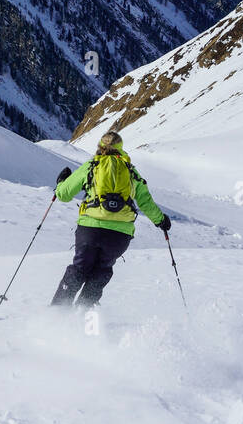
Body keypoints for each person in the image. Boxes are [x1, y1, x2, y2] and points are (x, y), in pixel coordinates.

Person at [50, 131, 171, 308]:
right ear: (120, 148)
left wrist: (61, 182)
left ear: (100, 146)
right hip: (119, 235)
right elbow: (145, 201)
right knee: (102, 271)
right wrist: (161, 220)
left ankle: (58, 313)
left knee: (79, 269)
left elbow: (64, 194)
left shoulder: (92, 165)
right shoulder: (131, 171)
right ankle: (83, 313)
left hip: (90, 230)